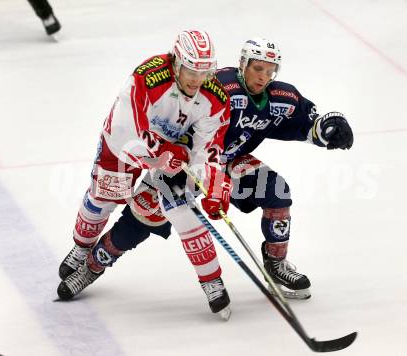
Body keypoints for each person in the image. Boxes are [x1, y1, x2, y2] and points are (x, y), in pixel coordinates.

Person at [59, 37, 353, 305]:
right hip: (182, 161)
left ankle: (276, 262)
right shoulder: (219, 85)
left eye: (269, 70)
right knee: (146, 214)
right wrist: (167, 156)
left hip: (227, 161)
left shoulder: (281, 97)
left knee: (277, 191)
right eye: (257, 68)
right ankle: (94, 264)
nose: (263, 76)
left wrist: (327, 128)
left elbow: (307, 124)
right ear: (243, 64)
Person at [57, 30, 232, 318]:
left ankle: (211, 278)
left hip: (170, 158)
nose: (196, 80)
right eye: (190, 70)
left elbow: (208, 147)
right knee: (102, 200)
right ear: (176, 61)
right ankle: (81, 248)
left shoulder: (214, 97)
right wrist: (162, 152)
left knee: (171, 210)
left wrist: (212, 184)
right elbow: (130, 131)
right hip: (124, 148)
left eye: (204, 72)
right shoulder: (146, 78)